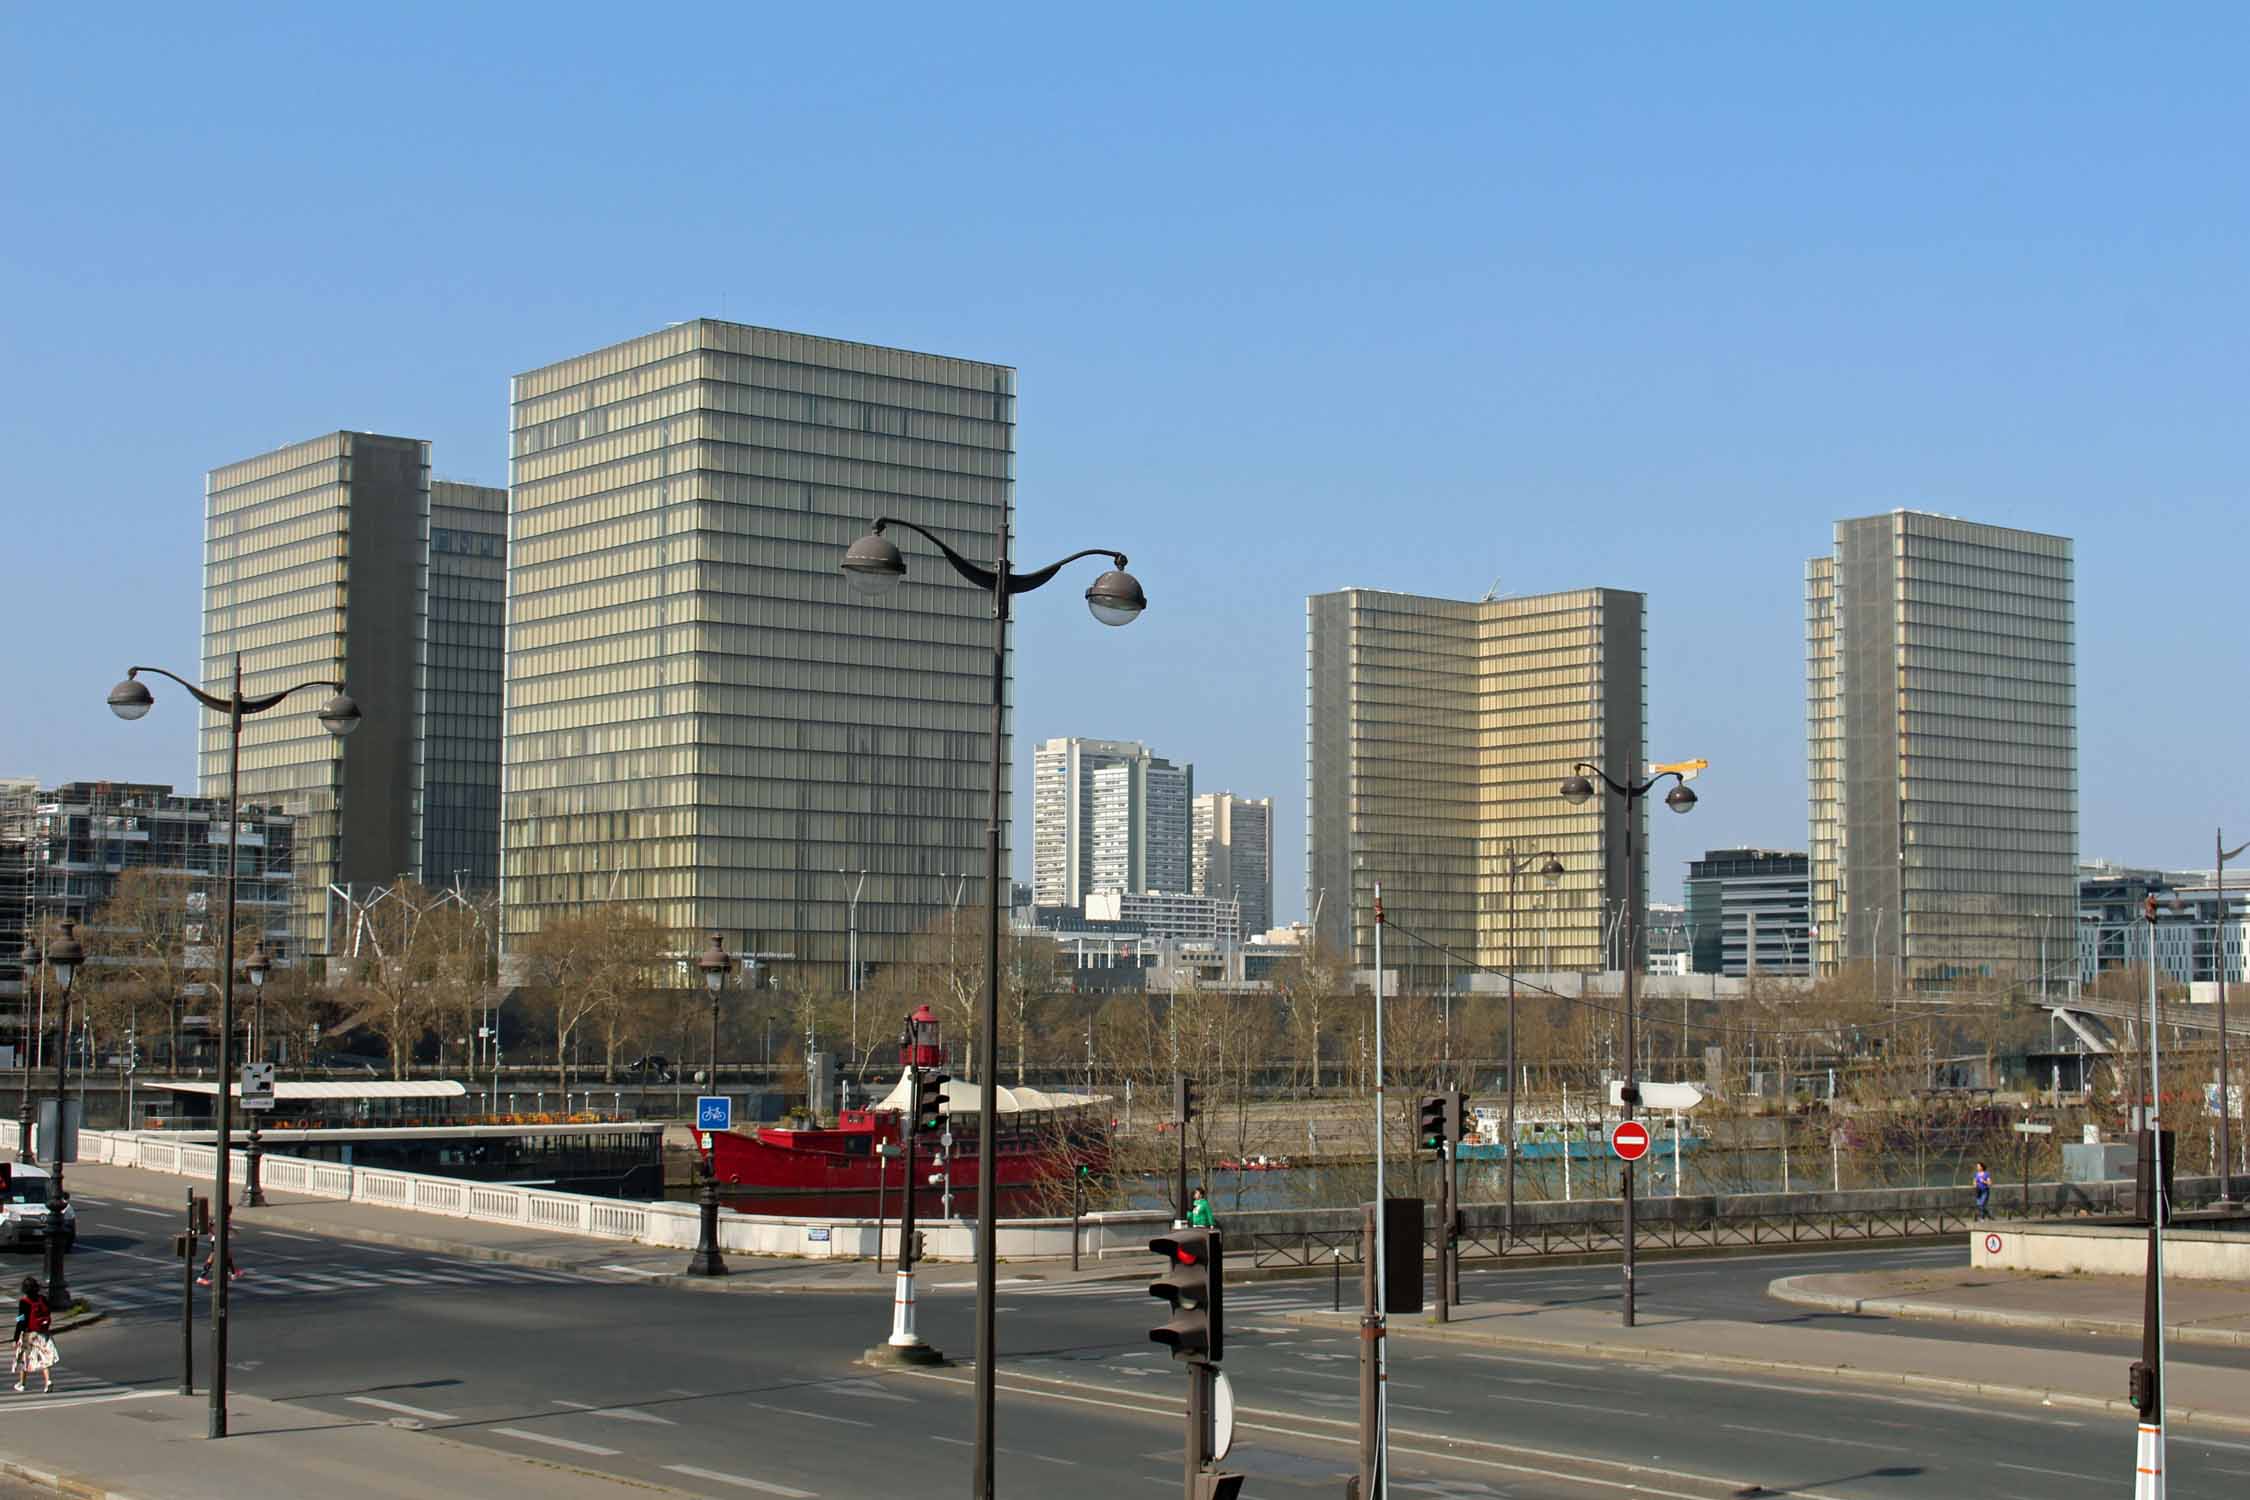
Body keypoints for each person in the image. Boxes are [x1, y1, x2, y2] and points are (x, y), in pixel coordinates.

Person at [13, 1277, 55, 1394]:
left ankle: (22, 1384)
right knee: (44, 1359)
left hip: (29, 1334)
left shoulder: (24, 1302)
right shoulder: (42, 1299)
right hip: (43, 1333)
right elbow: (48, 1311)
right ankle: (48, 1381)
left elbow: (21, 1321)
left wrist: (16, 1338)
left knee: (24, 1359)